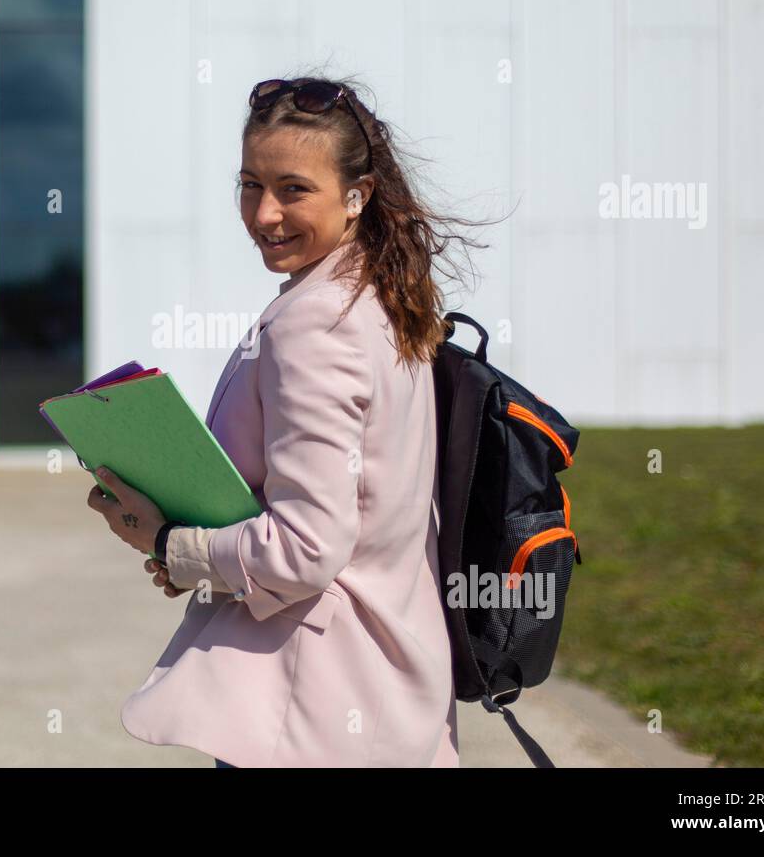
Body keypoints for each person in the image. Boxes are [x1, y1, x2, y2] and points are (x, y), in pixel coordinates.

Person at [87, 73, 489, 767]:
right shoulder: (380, 298)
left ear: (356, 195)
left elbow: (307, 548)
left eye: (293, 189)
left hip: (317, 714)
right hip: (387, 696)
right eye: (250, 184)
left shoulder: (314, 324)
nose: (264, 213)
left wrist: (172, 544)